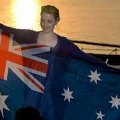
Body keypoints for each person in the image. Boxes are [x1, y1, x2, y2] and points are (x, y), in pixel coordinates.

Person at [0, 5, 81, 120]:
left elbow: (83, 59)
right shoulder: (30, 36)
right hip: (29, 88)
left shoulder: (64, 45)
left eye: (49, 21)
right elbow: (9, 31)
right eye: (42, 20)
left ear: (57, 21)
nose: (45, 24)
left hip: (51, 91)